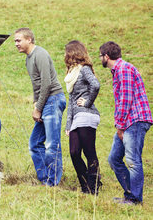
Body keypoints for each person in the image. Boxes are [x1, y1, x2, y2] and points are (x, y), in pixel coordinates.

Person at [99, 41, 152, 205]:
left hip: (134, 121)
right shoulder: (118, 71)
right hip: (127, 122)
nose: (100, 59)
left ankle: (135, 199)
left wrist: (120, 125)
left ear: (106, 56)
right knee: (114, 159)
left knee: (133, 161)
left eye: (100, 56)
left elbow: (126, 99)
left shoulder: (124, 69)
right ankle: (130, 195)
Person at [14, 28, 66, 186]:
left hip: (53, 99)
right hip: (45, 102)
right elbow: (36, 85)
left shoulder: (40, 54)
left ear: (29, 39)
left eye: (19, 40)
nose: (16, 44)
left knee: (52, 144)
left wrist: (39, 107)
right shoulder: (28, 59)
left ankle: (53, 182)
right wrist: (36, 103)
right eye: (15, 41)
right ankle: (45, 179)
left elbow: (47, 83)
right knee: (35, 144)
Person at [64, 40, 102, 194]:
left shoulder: (84, 69)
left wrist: (87, 102)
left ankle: (92, 188)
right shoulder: (71, 74)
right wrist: (68, 124)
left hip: (87, 115)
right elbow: (71, 101)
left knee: (89, 152)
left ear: (73, 52)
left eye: (66, 52)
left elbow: (96, 85)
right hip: (76, 118)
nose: (65, 55)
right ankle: (86, 184)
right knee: (74, 152)